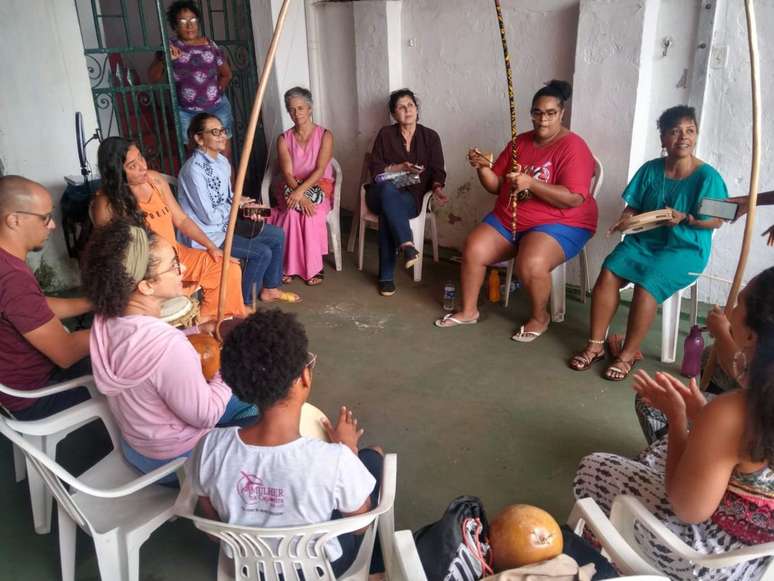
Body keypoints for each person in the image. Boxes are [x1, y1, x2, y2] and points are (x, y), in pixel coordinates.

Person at [574, 266, 774, 580]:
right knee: (660, 452)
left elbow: (687, 509)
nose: (730, 309)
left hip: (716, 562)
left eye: (739, 303)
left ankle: (606, 564)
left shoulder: (735, 412)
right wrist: (703, 418)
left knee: (593, 467)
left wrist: (679, 419)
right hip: (765, 557)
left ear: (751, 334)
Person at [188, 309, 384, 576]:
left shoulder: (210, 446)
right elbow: (360, 524)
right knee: (374, 457)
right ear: (304, 377)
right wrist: (347, 450)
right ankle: (377, 570)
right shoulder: (334, 460)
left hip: (246, 568)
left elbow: (212, 525)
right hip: (319, 569)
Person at [81, 220, 256, 482]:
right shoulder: (168, 347)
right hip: (177, 463)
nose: (183, 268)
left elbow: (152, 353)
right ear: (146, 286)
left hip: (138, 448)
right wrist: (225, 365)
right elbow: (205, 414)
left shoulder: (105, 321)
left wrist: (195, 331)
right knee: (257, 398)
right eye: (173, 266)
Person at [569, 105, 727, 380]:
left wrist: (687, 218)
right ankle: (595, 345)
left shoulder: (708, 177)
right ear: (663, 139)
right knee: (609, 271)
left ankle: (628, 354)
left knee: (647, 285)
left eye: (690, 131)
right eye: (675, 131)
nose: (683, 137)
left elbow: (717, 221)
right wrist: (626, 219)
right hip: (645, 241)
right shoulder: (651, 170)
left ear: (697, 135)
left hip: (685, 247)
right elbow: (634, 206)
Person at [436, 80, 596, 341]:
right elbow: (496, 185)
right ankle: (468, 310)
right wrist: (482, 167)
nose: (543, 120)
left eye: (551, 113)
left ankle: (539, 317)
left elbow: (574, 199)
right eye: (537, 113)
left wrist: (531, 183)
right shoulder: (519, 143)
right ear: (531, 113)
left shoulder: (573, 147)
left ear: (562, 113)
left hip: (561, 222)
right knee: (473, 248)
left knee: (530, 264)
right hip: (509, 218)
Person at [92, 136, 248, 322]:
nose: (142, 166)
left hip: (177, 255)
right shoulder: (106, 204)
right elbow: (111, 256)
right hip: (149, 270)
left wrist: (211, 247)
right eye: (132, 166)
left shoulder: (155, 180)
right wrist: (157, 278)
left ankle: (210, 322)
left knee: (227, 268)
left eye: (140, 157)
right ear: (116, 172)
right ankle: (200, 328)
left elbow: (181, 220)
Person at [178, 113, 300, 304]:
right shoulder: (194, 170)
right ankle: (242, 304)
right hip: (207, 235)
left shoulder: (221, 162)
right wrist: (235, 204)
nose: (222, 136)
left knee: (276, 235)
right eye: (215, 132)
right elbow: (209, 217)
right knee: (261, 253)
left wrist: (244, 203)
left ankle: (270, 288)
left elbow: (225, 197)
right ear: (199, 138)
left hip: (227, 225)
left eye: (223, 131)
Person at [0, 176, 92, 420]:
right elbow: (65, 353)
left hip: (16, 387)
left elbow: (34, 308)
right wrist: (126, 327)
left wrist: (94, 302)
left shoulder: (6, 261)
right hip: (36, 395)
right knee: (130, 371)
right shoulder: (11, 278)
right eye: (45, 217)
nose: (52, 226)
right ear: (14, 220)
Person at [366, 88, 448, 296]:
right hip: (380, 191)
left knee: (389, 212)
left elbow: (438, 169)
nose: (407, 110)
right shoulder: (385, 134)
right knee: (386, 191)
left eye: (410, 105)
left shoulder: (430, 137)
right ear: (394, 114)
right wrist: (399, 168)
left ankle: (387, 276)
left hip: (411, 197)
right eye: (401, 107)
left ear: (416, 109)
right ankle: (407, 242)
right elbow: (375, 167)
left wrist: (437, 188)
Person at [148, 0, 234, 159]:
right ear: (175, 26)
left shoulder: (210, 45)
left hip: (217, 108)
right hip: (187, 113)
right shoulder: (170, 47)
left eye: (193, 20)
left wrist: (216, 92)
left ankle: (231, 185)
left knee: (224, 156)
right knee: (196, 157)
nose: (189, 26)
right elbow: (153, 78)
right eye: (183, 21)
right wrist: (164, 59)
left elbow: (226, 74)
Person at [269, 87, 334, 286]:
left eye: (300, 108)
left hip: (318, 186)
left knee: (311, 213)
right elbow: (287, 173)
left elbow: (320, 169)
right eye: (292, 109)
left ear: (310, 108)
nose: (296, 114)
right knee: (290, 214)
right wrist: (296, 192)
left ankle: (314, 267)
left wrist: (301, 193)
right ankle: (289, 266)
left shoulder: (325, 135)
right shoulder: (284, 138)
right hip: (290, 185)